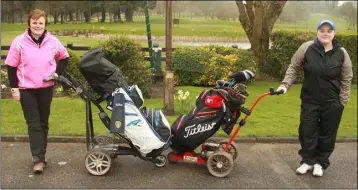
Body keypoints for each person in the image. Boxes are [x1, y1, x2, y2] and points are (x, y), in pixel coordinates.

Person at [276, 20, 353, 177]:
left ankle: (320, 163)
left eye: (329, 30)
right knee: (306, 131)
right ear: (317, 32)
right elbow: (293, 67)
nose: (325, 33)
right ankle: (307, 161)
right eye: (322, 30)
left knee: (327, 134)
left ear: (334, 34)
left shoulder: (342, 53)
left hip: (332, 102)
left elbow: (347, 78)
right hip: (310, 100)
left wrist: (342, 101)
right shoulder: (306, 48)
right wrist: (285, 85)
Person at [5, 9, 70, 174]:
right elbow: (11, 66)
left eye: (40, 22)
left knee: (43, 123)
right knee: (34, 124)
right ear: (29, 23)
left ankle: (42, 154)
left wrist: (56, 74)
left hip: (46, 89)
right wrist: (14, 89)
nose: (37, 25)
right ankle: (38, 160)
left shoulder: (53, 41)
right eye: (34, 22)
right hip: (26, 90)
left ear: (45, 24)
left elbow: (64, 57)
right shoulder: (19, 41)